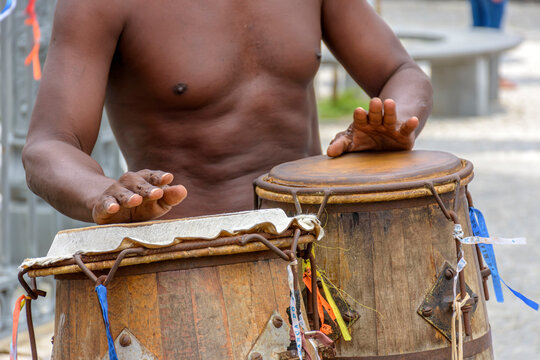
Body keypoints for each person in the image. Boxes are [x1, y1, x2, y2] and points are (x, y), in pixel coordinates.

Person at [22, 0, 432, 225]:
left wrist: (394, 124)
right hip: (187, 259)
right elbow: (49, 145)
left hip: (317, 242)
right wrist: (103, 194)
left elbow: (402, 73)